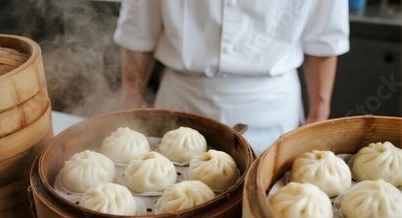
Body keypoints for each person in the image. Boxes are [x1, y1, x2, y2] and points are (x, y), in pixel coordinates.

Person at [113, 0, 350, 155]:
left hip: (271, 113)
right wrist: (128, 109)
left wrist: (318, 117)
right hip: (181, 103)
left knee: (263, 203)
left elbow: (324, 40)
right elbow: (138, 35)